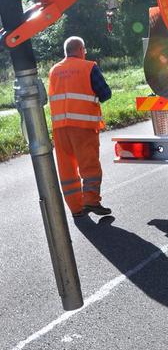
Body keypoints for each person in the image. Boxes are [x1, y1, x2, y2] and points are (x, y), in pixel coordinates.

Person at [47, 37, 113, 218]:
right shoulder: (88, 67)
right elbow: (105, 94)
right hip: (83, 126)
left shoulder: (54, 71)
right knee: (89, 165)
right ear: (81, 49)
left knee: (67, 168)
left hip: (60, 128)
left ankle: (76, 208)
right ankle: (91, 201)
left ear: (66, 51)